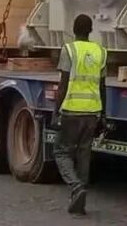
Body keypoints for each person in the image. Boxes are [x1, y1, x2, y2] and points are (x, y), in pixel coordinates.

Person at [53, 13, 107, 215]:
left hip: (71, 110)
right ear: (91, 30)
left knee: (61, 151)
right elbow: (103, 87)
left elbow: (63, 84)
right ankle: (81, 199)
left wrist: (55, 113)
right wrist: (104, 115)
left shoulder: (69, 49)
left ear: (73, 30)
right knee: (84, 153)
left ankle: (76, 187)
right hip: (92, 112)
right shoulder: (100, 51)